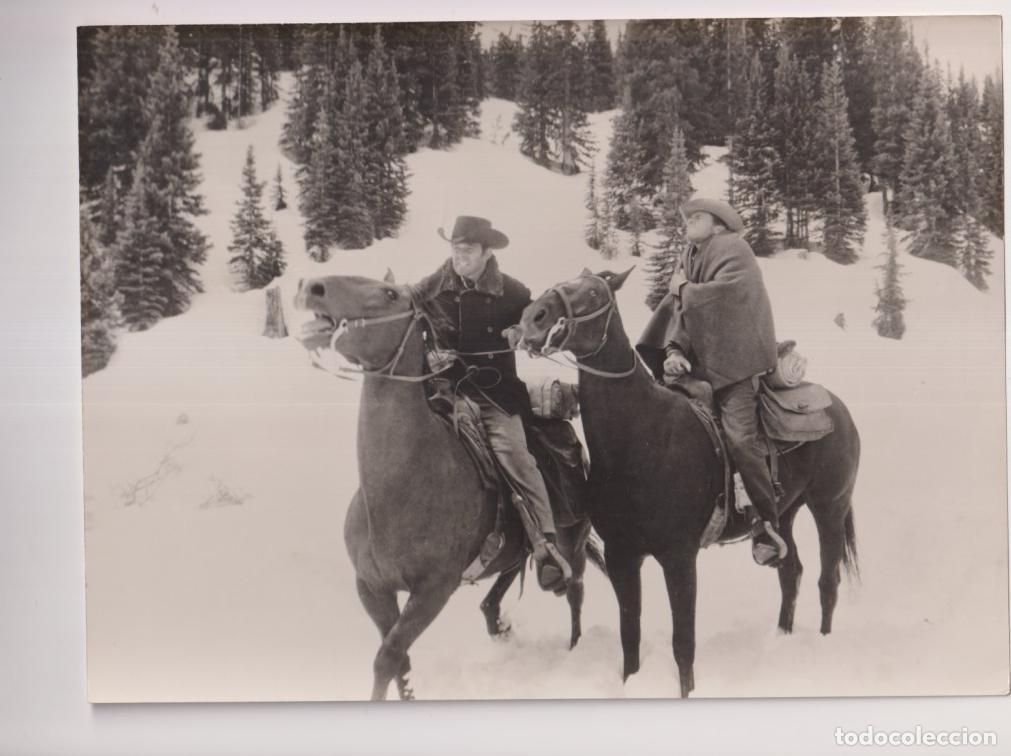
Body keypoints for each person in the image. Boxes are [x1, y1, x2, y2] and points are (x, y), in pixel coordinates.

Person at [413, 215, 572, 592]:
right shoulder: (430, 289)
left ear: (486, 253)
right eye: (454, 249)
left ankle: (545, 546)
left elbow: (545, 325)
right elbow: (407, 324)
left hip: (495, 396)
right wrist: (427, 356)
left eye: (466, 250)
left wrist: (525, 334)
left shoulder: (514, 293)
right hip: (443, 393)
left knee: (516, 456)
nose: (458, 256)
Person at [636, 198, 788, 566]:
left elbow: (727, 296)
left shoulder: (735, 249)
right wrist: (674, 350)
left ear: (719, 225)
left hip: (737, 364)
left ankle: (765, 522)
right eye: (688, 218)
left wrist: (684, 288)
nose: (689, 222)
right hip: (701, 366)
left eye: (698, 217)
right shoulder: (690, 255)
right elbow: (684, 314)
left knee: (739, 437)